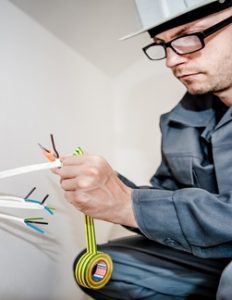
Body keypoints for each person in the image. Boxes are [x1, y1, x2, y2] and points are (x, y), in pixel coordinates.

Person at [53, 0, 232, 299]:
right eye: (163, 45)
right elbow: (170, 196)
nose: (171, 61)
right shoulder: (180, 121)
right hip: (213, 250)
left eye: (188, 36)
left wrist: (127, 204)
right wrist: (113, 190)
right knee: (105, 268)